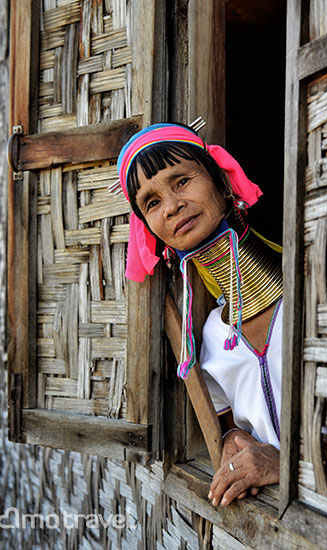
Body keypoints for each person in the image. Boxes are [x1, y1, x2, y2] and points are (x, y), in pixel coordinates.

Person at [114, 122, 283, 507]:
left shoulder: (315, 294)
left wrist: (286, 465)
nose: (171, 206)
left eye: (182, 181)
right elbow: (242, 438)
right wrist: (232, 438)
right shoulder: (211, 339)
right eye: (151, 203)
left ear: (222, 182)